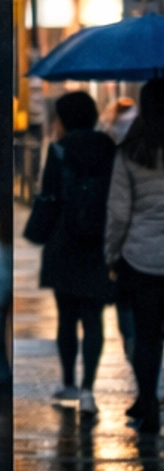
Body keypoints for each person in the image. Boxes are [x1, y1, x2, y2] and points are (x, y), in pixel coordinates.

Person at [36, 89, 116, 414]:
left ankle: (69, 382)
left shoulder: (59, 150)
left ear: (65, 118)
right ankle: (88, 391)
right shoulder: (109, 148)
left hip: (64, 243)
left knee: (66, 318)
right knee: (93, 319)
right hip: (98, 243)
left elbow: (48, 197)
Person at [107, 79, 164, 436]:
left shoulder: (130, 151)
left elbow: (117, 213)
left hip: (141, 259)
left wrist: (111, 255)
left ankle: (149, 405)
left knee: (146, 336)